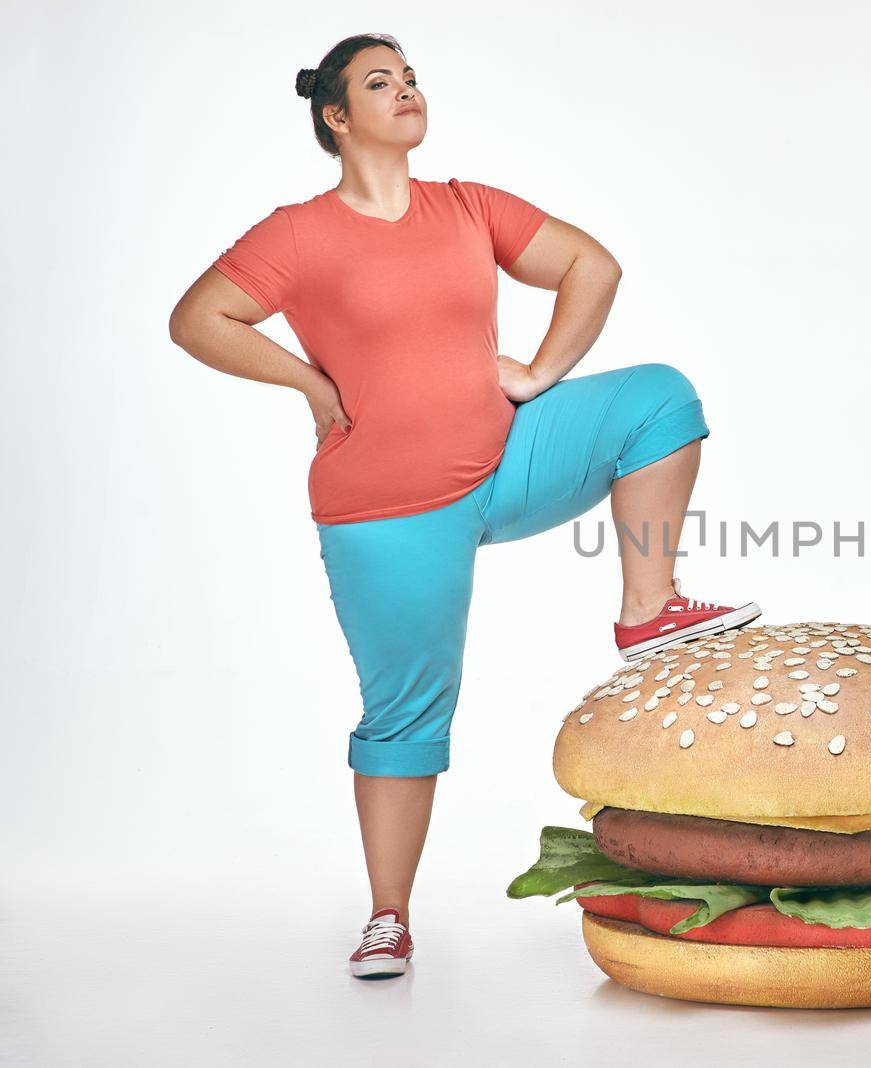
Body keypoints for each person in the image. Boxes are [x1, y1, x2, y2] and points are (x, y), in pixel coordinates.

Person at [167, 33, 760, 979]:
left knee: (659, 400)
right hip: (385, 511)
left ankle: (649, 610)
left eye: (409, 78)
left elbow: (592, 267)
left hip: (505, 461)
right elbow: (198, 320)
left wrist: (538, 372)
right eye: (378, 83)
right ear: (335, 116)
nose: (404, 91)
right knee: (407, 716)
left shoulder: (469, 207)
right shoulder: (298, 233)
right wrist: (313, 387)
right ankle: (389, 918)